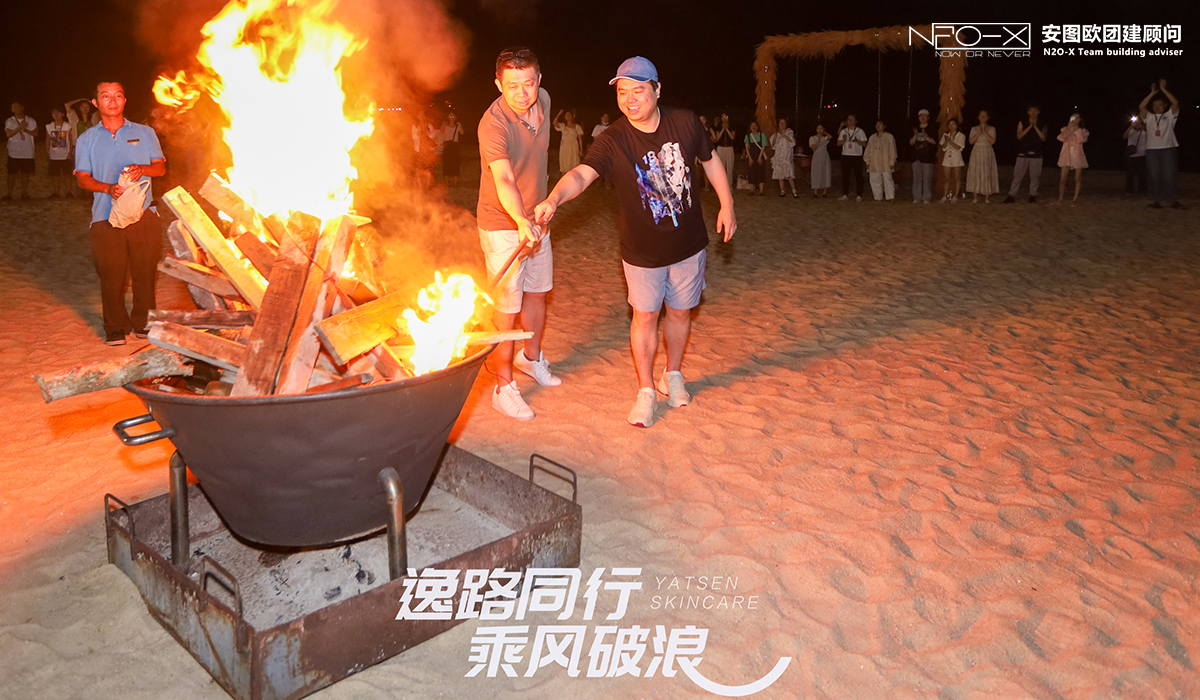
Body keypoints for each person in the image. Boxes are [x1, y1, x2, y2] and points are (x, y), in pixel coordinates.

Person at [534, 56, 736, 428]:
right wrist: (554, 198)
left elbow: (709, 161)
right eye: (623, 92)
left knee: (680, 313)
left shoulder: (685, 122)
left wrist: (727, 204)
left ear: (657, 90)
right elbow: (581, 174)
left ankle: (672, 374)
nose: (630, 99)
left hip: (689, 244)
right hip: (642, 252)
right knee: (644, 317)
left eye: (638, 90)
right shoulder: (613, 140)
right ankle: (645, 390)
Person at [477, 46, 561, 420]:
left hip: (537, 220)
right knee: (506, 310)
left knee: (538, 293)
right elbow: (504, 179)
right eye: (512, 86)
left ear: (539, 79)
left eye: (528, 83)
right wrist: (519, 219)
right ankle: (503, 387)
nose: (522, 93)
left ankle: (531, 358)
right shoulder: (493, 125)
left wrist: (534, 217)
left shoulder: (544, 100)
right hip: (502, 224)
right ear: (499, 85)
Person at [74, 81, 167, 346]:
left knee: (145, 273)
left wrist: (142, 169)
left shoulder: (145, 132)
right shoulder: (87, 139)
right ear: (96, 103)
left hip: (143, 214)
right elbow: (82, 178)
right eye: (105, 96)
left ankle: (144, 322)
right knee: (111, 275)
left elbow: (160, 168)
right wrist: (107, 188)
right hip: (105, 216)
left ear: (125, 100)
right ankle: (115, 327)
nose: (112, 101)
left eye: (118, 96)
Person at [1139, 79, 1182, 209]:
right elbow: (1141, 106)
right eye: (1155, 105)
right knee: (1154, 176)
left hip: (1168, 149)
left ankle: (1173, 201)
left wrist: (1163, 89)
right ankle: (1157, 201)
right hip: (1152, 150)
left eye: (1160, 105)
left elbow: (1175, 102)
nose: (1157, 107)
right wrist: (1152, 93)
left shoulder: (1170, 116)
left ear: (1165, 106)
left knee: (1169, 176)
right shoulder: (1149, 117)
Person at [1002, 105, 1046, 204]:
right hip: (1023, 153)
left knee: (1035, 176)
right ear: (1028, 112)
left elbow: (1043, 137)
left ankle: (1032, 195)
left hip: (1037, 154)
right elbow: (1019, 136)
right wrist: (1030, 126)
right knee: (1017, 176)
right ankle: (1011, 195)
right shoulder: (1022, 122)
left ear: (1038, 112)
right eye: (1031, 110)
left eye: (1035, 110)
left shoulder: (1042, 123)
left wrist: (1035, 127)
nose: (1033, 113)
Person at [966, 110, 999, 203]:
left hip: (987, 151)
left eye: (985, 115)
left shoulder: (992, 129)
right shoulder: (974, 128)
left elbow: (992, 141)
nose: (983, 117)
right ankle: (975, 196)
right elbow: (971, 141)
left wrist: (984, 131)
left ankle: (987, 196)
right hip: (977, 151)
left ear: (988, 117)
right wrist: (979, 132)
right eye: (981, 115)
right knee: (976, 171)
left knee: (987, 171)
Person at [1055, 112, 1088, 205]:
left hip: (1077, 156)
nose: (1075, 120)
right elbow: (1061, 138)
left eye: (1077, 118)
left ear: (1080, 120)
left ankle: (1075, 199)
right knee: (1062, 179)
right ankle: (1060, 198)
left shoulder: (1083, 131)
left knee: (1077, 178)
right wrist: (1069, 128)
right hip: (1066, 156)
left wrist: (1076, 130)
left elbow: (1081, 140)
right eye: (1073, 118)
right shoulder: (1065, 129)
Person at [5, 103, 37, 200]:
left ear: (22, 107)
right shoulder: (10, 121)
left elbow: (36, 133)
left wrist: (25, 130)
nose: (16, 109)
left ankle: (24, 193)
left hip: (27, 151)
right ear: (11, 109)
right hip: (13, 152)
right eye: (14, 107)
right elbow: (8, 134)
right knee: (11, 174)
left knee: (25, 173)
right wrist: (19, 128)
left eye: (18, 106)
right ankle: (9, 194)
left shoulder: (30, 120)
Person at [45, 108, 75, 198]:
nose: (56, 115)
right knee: (55, 175)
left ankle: (68, 192)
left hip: (65, 154)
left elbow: (70, 139)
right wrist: (47, 152)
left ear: (62, 114)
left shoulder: (67, 126)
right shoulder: (49, 126)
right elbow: (47, 140)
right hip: (54, 155)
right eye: (54, 113)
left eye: (58, 113)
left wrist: (70, 152)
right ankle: (56, 192)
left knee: (67, 174)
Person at [836, 114, 866, 201]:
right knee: (845, 176)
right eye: (849, 120)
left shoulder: (860, 131)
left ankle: (859, 194)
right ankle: (845, 194)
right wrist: (844, 140)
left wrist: (857, 141)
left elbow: (864, 144)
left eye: (852, 120)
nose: (850, 121)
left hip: (857, 156)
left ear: (856, 121)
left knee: (858, 176)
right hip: (845, 155)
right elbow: (838, 143)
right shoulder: (844, 131)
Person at [909, 108, 937, 203]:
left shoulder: (932, 128)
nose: (923, 117)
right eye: (921, 116)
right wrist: (915, 136)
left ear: (928, 117)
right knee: (916, 178)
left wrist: (926, 137)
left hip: (928, 158)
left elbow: (935, 142)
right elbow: (911, 143)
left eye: (925, 116)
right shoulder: (915, 129)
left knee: (927, 179)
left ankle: (926, 197)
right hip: (916, 157)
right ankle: (917, 197)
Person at [864, 119, 896, 201]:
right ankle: (878, 197)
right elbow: (868, 149)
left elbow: (892, 150)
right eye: (877, 124)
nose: (878, 126)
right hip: (874, 161)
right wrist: (867, 161)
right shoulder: (872, 137)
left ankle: (890, 197)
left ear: (884, 126)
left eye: (880, 124)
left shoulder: (889, 137)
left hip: (886, 161)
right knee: (874, 180)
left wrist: (892, 161)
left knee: (888, 179)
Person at [939, 118, 965, 203]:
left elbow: (959, 147)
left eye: (953, 124)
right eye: (949, 124)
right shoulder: (946, 135)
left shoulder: (961, 135)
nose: (951, 126)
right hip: (947, 156)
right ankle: (945, 195)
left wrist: (950, 141)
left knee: (957, 177)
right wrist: (946, 141)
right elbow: (943, 146)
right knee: (946, 178)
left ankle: (955, 196)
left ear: (956, 125)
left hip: (956, 156)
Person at [770, 117, 797, 197]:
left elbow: (792, 141)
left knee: (789, 174)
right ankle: (782, 191)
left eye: (783, 123)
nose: (782, 124)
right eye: (780, 123)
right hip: (779, 156)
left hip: (786, 156)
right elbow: (773, 145)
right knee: (780, 175)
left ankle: (794, 191)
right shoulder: (775, 133)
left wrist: (782, 134)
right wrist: (776, 134)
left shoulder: (789, 132)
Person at [553, 109, 584, 175]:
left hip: (573, 147)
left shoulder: (577, 126)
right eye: (566, 115)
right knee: (564, 164)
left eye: (569, 115)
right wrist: (559, 114)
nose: (568, 116)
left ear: (572, 116)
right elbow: (554, 123)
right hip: (564, 148)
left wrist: (581, 149)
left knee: (574, 164)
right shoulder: (563, 126)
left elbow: (580, 139)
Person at [1123, 115, 1147, 195]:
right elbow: (1125, 136)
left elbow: (1151, 135)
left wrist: (1144, 127)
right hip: (1131, 154)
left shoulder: (1144, 130)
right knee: (1130, 174)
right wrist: (1130, 127)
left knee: (1142, 174)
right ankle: (1130, 190)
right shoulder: (1131, 129)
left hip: (1142, 154)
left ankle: (1142, 190)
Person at [743, 120, 767, 195]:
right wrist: (750, 158)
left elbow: (763, 146)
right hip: (751, 156)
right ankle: (751, 189)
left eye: (755, 125)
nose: (753, 127)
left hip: (760, 155)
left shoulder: (762, 135)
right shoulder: (748, 136)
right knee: (751, 172)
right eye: (752, 126)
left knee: (761, 171)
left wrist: (760, 157)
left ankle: (761, 190)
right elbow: (747, 148)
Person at [713, 113, 736, 189]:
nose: (724, 119)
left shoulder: (732, 126)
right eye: (723, 117)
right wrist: (723, 129)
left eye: (726, 117)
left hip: (729, 148)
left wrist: (727, 129)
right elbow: (717, 138)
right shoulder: (719, 127)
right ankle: (721, 186)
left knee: (729, 167)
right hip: (721, 148)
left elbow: (732, 137)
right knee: (721, 167)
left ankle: (729, 186)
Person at [440, 113, 463, 187]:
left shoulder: (457, 126)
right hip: (447, 145)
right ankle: (446, 182)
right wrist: (443, 123)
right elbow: (442, 130)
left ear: (456, 117)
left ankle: (455, 182)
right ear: (447, 117)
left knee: (456, 163)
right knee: (446, 162)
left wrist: (460, 125)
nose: (452, 117)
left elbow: (462, 132)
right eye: (450, 116)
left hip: (455, 145)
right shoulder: (445, 125)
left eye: (453, 116)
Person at [808, 123, 832, 197]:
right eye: (818, 128)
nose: (819, 130)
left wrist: (824, 133)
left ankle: (824, 191)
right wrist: (818, 141)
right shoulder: (812, 138)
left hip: (824, 155)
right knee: (816, 171)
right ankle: (815, 191)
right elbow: (814, 148)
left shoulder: (824, 138)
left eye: (821, 128)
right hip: (817, 155)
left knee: (825, 171)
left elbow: (830, 137)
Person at [593, 113, 614, 188]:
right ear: (601, 118)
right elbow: (595, 138)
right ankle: (599, 182)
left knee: (608, 166)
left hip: (608, 149)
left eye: (607, 117)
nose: (606, 118)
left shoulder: (611, 127)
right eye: (604, 117)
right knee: (599, 165)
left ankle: (608, 183)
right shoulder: (598, 127)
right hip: (600, 149)